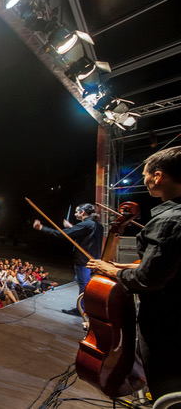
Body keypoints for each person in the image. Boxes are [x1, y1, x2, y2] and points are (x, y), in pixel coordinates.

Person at [87, 146, 181, 405]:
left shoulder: (169, 220)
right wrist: (127, 268)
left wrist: (111, 270)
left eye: (146, 175)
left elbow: (147, 280)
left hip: (167, 325)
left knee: (166, 387)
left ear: (159, 176)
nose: (145, 180)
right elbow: (170, 266)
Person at [33, 202, 104, 315]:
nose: (75, 214)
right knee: (84, 282)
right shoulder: (98, 226)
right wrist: (72, 227)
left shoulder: (85, 225)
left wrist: (42, 228)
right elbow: (85, 236)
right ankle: (88, 306)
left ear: (83, 212)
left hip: (83, 261)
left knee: (84, 285)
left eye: (77, 211)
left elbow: (61, 234)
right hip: (94, 260)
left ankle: (82, 309)